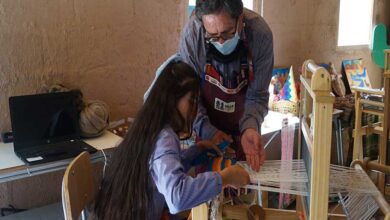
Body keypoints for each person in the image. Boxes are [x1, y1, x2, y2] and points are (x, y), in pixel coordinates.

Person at [92, 60, 250, 220]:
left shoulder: (149, 126)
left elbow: (160, 174)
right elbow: (177, 197)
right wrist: (224, 178)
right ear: (173, 99)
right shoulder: (164, 136)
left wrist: (195, 152)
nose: (194, 109)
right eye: (192, 100)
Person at [179, 0, 274, 171]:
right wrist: (208, 131)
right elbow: (189, 96)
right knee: (208, 185)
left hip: (244, 127)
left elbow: (257, 95)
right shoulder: (193, 35)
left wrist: (250, 127)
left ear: (240, 18)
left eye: (227, 33)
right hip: (206, 125)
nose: (221, 42)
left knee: (243, 183)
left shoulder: (260, 35)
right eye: (213, 36)